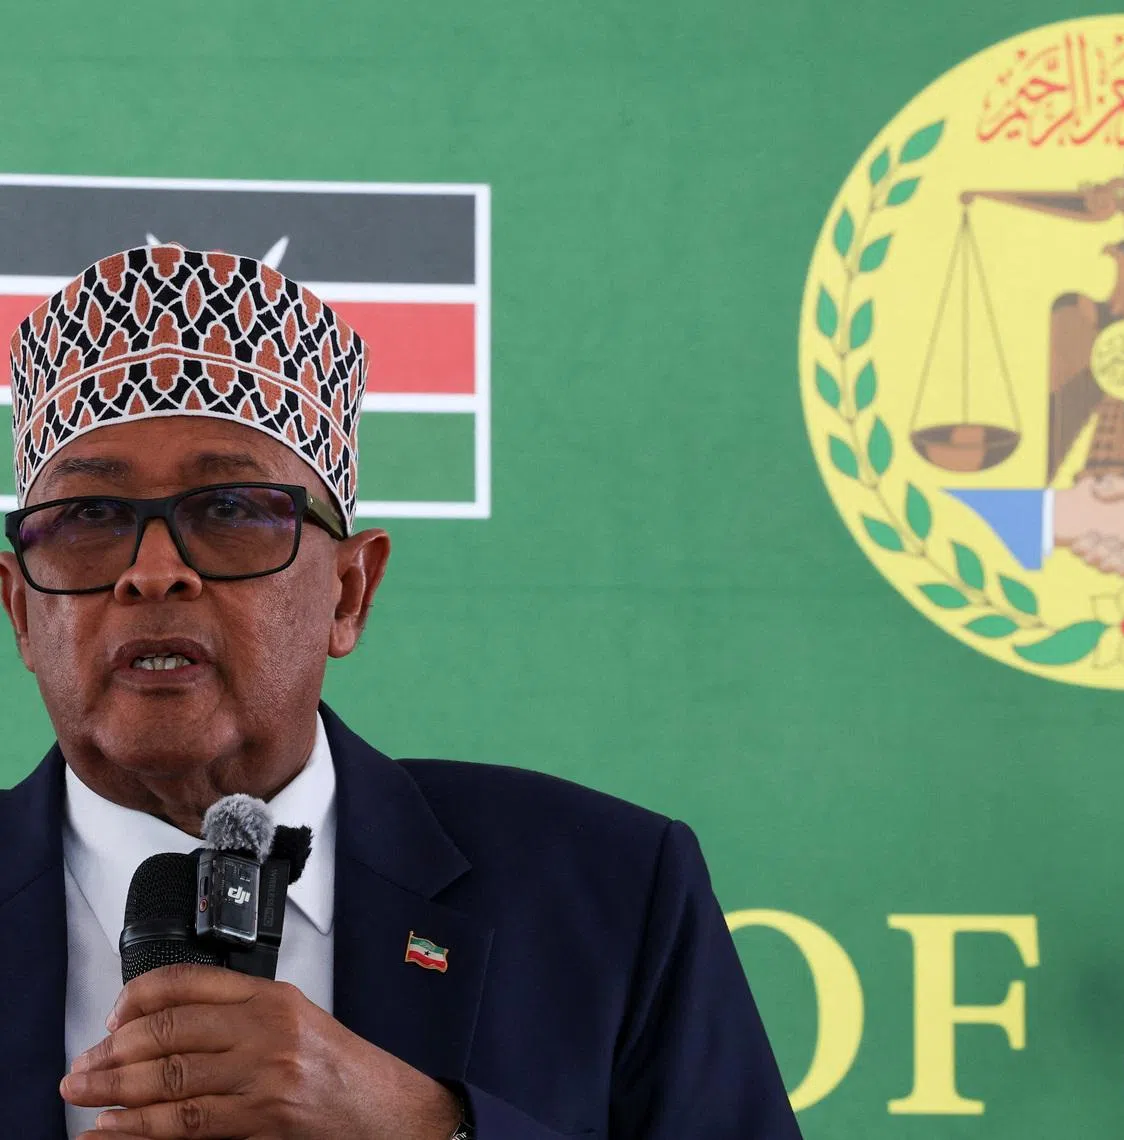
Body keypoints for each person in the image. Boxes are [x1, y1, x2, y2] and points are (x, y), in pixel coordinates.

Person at [0, 244, 802, 1139]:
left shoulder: (608, 890)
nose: (154, 572)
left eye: (229, 510)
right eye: (90, 517)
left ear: (350, 593)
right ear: (21, 611)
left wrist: (429, 1128)